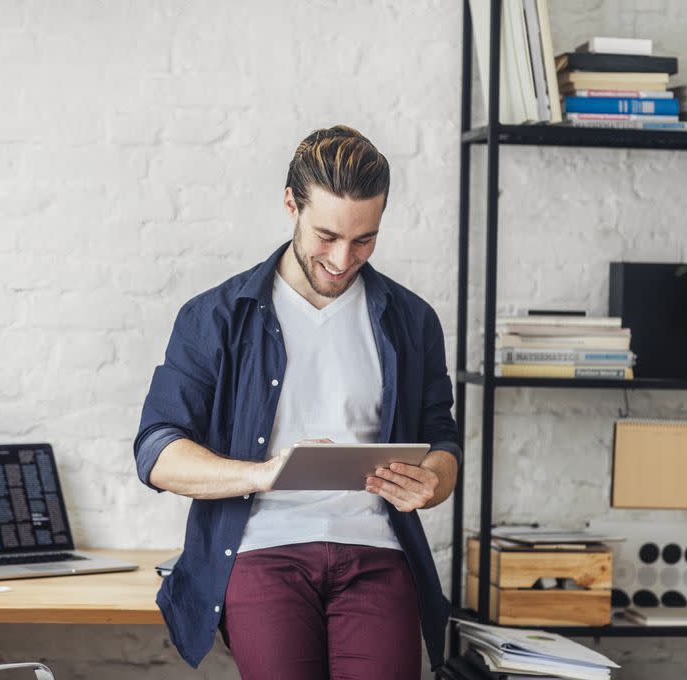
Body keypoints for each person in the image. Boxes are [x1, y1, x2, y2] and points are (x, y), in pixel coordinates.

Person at [134, 125, 460, 680]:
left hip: (377, 551)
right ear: (291, 204)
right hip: (263, 549)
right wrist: (266, 475)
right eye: (327, 235)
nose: (342, 258)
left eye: (364, 239)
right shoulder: (214, 317)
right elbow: (158, 453)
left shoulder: (411, 320)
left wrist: (435, 480)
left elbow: (441, 437)